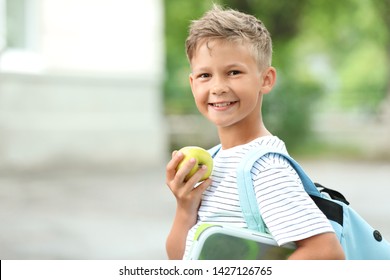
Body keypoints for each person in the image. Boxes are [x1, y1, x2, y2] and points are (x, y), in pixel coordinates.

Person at [165, 4, 345, 260]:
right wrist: (185, 207)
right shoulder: (213, 160)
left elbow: (326, 253)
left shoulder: (265, 167)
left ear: (266, 79)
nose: (218, 87)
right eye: (205, 75)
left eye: (233, 72)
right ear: (193, 84)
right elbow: (179, 258)